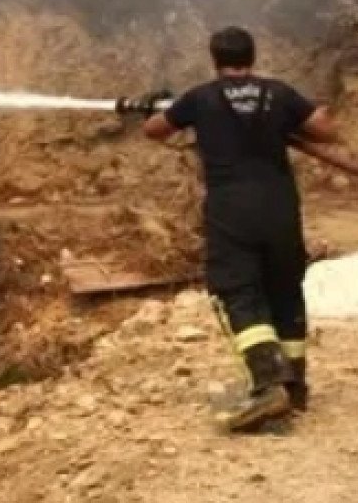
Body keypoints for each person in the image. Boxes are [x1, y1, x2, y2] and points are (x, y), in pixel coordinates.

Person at [144, 26, 338, 431]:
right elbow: (326, 130)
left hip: (232, 211)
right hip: (281, 208)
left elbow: (155, 131)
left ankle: (269, 384)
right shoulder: (279, 93)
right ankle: (296, 387)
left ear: (214, 59)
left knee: (238, 290)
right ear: (253, 56)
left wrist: (151, 109)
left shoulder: (200, 98)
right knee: (284, 288)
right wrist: (294, 122)